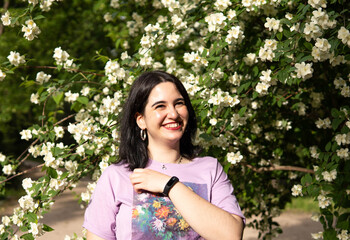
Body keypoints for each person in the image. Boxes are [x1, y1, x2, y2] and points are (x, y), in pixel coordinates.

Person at [83, 71, 245, 240]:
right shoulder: (116, 176)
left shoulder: (210, 168)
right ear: (141, 120)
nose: (174, 114)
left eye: (179, 103)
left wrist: (170, 185)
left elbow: (231, 235)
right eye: (160, 106)